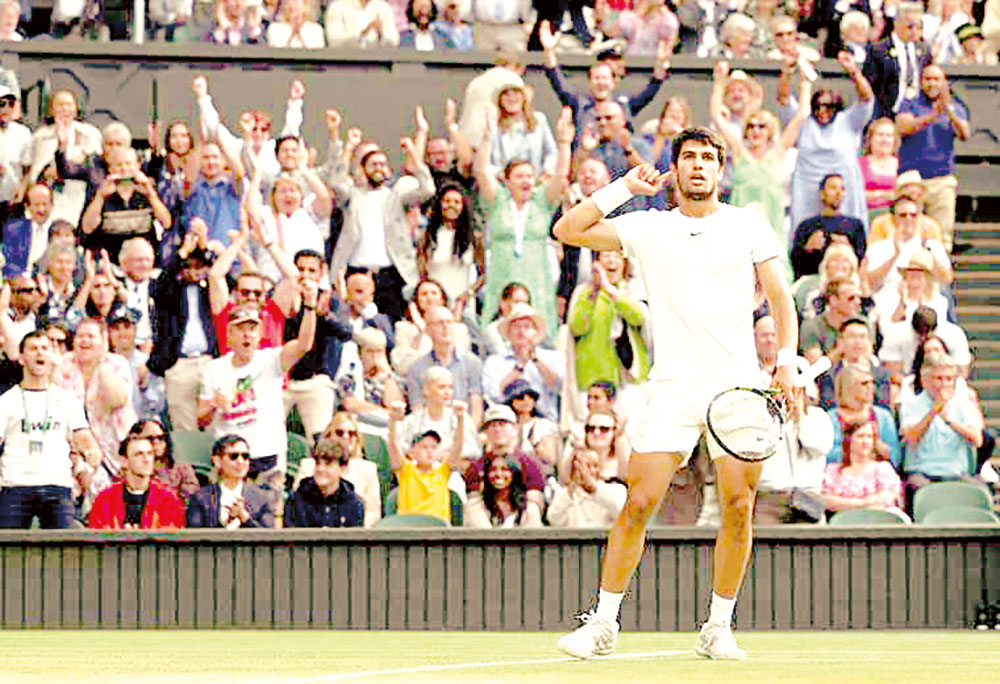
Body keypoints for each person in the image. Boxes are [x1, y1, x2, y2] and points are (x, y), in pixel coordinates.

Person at [552, 127, 798, 660]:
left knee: (737, 505)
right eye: (689, 158)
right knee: (638, 502)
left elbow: (780, 299)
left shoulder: (747, 224)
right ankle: (603, 625)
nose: (699, 166)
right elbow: (568, 229)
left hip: (738, 386)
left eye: (708, 158)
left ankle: (718, 626)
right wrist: (622, 188)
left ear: (720, 170)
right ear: (676, 169)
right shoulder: (648, 226)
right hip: (672, 388)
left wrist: (785, 363)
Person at [196, 281, 317, 482]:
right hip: (230, 456)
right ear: (229, 335)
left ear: (260, 335)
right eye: (240, 329)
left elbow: (304, 345)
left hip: (267, 454)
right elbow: (201, 419)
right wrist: (213, 405)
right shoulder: (214, 369)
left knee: (269, 509)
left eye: (252, 329)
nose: (247, 335)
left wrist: (310, 306)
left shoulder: (272, 360)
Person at [475, 108, 573, 335]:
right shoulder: (498, 199)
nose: (526, 180)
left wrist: (564, 143)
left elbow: (560, 176)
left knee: (538, 320)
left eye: (529, 175)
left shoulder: (541, 201)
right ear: (507, 181)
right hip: (502, 270)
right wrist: (488, 138)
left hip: (536, 272)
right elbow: (481, 171)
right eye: (519, 176)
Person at [0, 330, 102, 528]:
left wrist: (88, 465)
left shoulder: (67, 400)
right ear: (21, 358)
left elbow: (87, 443)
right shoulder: (6, 401)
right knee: (7, 551)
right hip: (15, 485)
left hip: (57, 485)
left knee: (66, 550)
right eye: (33, 349)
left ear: (52, 357)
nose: (40, 353)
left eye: (45, 348)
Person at [780, 51, 874, 236]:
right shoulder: (804, 121)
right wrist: (787, 73)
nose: (823, 111)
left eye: (828, 106)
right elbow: (783, 100)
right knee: (806, 235)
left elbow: (866, 99)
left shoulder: (848, 121)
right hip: (807, 189)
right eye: (818, 106)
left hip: (844, 187)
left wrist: (854, 72)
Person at [895, 64, 969, 252]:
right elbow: (903, 127)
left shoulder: (956, 106)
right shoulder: (909, 103)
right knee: (909, 235)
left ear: (945, 82)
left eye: (936, 79)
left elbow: (964, 133)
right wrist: (932, 115)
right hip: (912, 180)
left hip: (942, 180)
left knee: (941, 237)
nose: (931, 83)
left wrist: (947, 110)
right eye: (927, 79)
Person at [899, 351, 984, 501]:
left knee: (979, 493)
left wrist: (950, 421)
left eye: (949, 379)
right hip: (922, 473)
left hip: (956, 473)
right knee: (919, 491)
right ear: (924, 380)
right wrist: (933, 412)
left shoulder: (964, 404)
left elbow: (977, 440)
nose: (944, 384)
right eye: (938, 379)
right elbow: (911, 438)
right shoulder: (910, 404)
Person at [482, 303, 564, 422]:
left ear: (536, 331)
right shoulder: (495, 362)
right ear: (508, 333)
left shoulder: (553, 357)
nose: (521, 332)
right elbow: (494, 394)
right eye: (516, 327)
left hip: (544, 422)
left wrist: (536, 360)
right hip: (507, 422)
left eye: (527, 327)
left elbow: (559, 387)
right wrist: (519, 367)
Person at [404, 304, 483, 424]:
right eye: (439, 323)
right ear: (428, 330)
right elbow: (417, 409)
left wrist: (469, 435)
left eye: (449, 322)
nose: (445, 327)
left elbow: (476, 407)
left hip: (463, 428)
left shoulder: (472, 364)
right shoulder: (417, 368)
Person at [87, 434, 186, 529]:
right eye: (139, 454)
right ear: (124, 461)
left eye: (150, 454)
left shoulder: (168, 498)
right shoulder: (105, 499)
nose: (146, 459)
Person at [822, 419, 906, 519]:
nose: (865, 441)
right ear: (849, 440)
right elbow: (826, 501)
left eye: (869, 437)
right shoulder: (832, 471)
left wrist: (848, 504)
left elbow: (886, 498)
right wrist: (863, 503)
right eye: (860, 436)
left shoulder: (883, 469)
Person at [789, 175, 868, 282]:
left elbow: (862, 259)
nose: (838, 193)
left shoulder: (855, 225)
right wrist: (809, 249)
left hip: (847, 280)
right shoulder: (807, 226)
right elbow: (795, 263)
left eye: (842, 189)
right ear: (822, 193)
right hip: (814, 280)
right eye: (833, 188)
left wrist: (847, 248)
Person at [186, 435, 276, 528]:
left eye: (245, 456)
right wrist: (226, 523)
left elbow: (269, 537)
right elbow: (196, 536)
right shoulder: (201, 498)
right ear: (217, 460)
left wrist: (246, 519)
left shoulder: (262, 497)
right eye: (234, 456)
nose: (240, 461)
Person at [824, 363, 902, 469]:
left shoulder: (883, 416)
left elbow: (896, 457)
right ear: (849, 386)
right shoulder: (831, 418)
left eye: (872, 382)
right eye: (864, 383)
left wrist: (881, 448)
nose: (871, 387)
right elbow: (827, 454)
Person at [863, 2, 931, 120]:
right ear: (896, 23)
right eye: (910, 26)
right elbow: (871, 86)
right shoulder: (878, 50)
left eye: (919, 27)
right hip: (888, 114)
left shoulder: (924, 51)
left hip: (918, 113)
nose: (914, 31)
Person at [287, 440, 364, 528]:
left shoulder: (353, 503)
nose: (321, 469)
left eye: (328, 464)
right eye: (318, 463)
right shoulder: (297, 499)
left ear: (342, 468)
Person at [548, 448, 628, 527]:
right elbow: (554, 520)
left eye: (595, 466)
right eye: (585, 467)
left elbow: (622, 514)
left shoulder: (616, 490)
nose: (592, 471)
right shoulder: (564, 495)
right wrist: (571, 489)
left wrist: (594, 489)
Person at [464, 455, 544, 528]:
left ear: (514, 473)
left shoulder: (529, 507)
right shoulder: (475, 506)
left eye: (504, 469)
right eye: (493, 469)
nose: (498, 474)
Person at [130, 419, 199, 502]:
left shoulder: (180, 465)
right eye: (150, 439)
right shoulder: (129, 469)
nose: (157, 443)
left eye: (160, 438)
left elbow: (194, 488)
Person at [504, 377, 560, 474]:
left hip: (539, 474)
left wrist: (533, 441)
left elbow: (551, 458)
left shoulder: (544, 425)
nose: (526, 400)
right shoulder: (505, 427)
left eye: (530, 396)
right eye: (520, 397)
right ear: (512, 402)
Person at [858, 118, 899, 222]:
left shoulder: (902, 165)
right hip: (864, 216)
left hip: (894, 218)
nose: (884, 139)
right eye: (880, 135)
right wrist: (884, 195)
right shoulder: (858, 164)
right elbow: (853, 194)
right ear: (871, 139)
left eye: (889, 136)